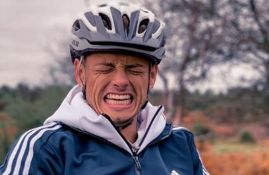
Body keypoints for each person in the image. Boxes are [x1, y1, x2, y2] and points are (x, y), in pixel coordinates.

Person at [0, 2, 209, 175]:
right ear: (80, 72)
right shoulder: (44, 149)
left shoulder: (181, 144)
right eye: (106, 68)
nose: (120, 81)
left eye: (134, 69)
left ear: (152, 76)